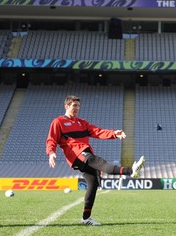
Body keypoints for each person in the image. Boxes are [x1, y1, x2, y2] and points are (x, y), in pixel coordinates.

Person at [46, 95, 145, 226]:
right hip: (76, 154)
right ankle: (130, 171)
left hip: (84, 154)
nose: (76, 108)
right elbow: (51, 139)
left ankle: (86, 219)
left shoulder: (82, 122)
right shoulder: (58, 122)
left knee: (93, 184)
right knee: (101, 163)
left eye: (78, 106)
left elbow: (97, 131)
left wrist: (114, 133)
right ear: (67, 106)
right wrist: (51, 152)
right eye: (74, 105)